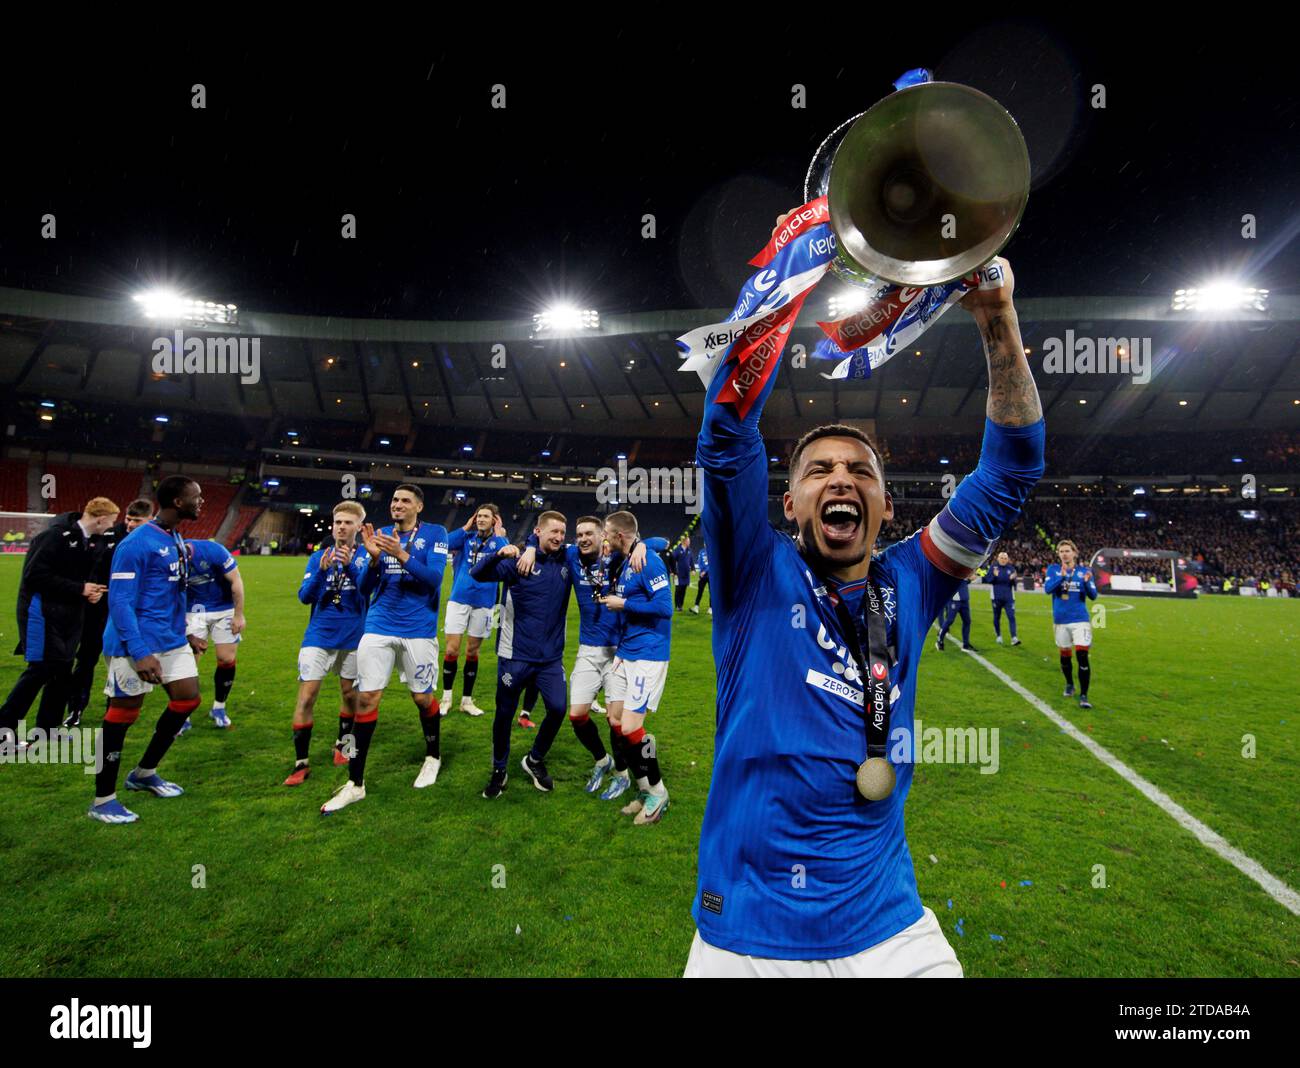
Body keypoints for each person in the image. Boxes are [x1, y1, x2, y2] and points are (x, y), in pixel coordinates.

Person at [684, 244, 1043, 977]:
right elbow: (726, 441)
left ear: (884, 505)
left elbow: (1011, 468)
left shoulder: (914, 579)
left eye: (860, 472)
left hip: (889, 931)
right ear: (790, 504)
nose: (840, 479)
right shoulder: (754, 571)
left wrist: (997, 320)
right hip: (744, 939)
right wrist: (783, 288)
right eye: (819, 471)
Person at [320, 485, 449, 814]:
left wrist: (401, 555)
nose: (398, 505)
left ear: (419, 505)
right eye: (394, 500)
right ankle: (355, 783)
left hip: (418, 630)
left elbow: (433, 580)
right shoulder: (377, 535)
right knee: (366, 698)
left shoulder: (435, 533)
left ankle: (432, 756)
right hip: (379, 626)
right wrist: (376, 560)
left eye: (406, 500)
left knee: (421, 698)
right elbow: (364, 588)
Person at [515, 516, 665, 794]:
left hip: (617, 650)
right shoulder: (572, 556)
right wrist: (530, 547)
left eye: (589, 534)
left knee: (615, 720)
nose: (582, 538)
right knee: (577, 715)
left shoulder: (619, 557)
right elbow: (546, 540)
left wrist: (643, 544)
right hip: (587, 649)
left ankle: (622, 773)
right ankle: (602, 760)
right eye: (579, 533)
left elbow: (661, 542)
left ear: (603, 537)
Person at [89, 477, 206, 824]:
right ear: (177, 501)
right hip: (134, 642)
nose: (202, 502)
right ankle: (102, 799)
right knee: (123, 716)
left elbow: (169, 594)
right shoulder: (135, 544)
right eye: (196, 497)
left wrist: (186, 632)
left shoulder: (174, 536)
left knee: (187, 700)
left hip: (171, 639)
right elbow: (121, 602)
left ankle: (143, 773)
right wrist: (139, 651)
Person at [470, 511, 573, 798]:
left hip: (550, 659)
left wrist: (639, 544)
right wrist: (502, 554)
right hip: (514, 655)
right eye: (553, 531)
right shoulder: (517, 564)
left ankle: (534, 759)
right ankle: (499, 770)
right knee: (504, 714)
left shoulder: (567, 558)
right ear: (538, 532)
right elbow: (477, 574)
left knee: (558, 708)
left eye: (563, 533)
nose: (559, 537)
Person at [0, 498, 117, 748]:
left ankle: (47, 731)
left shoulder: (91, 542)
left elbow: (81, 577)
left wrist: (89, 591)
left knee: (63, 671)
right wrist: (79, 588)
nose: (112, 526)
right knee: (40, 669)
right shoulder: (54, 537)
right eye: (112, 520)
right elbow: (34, 576)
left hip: (70, 614)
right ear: (100, 518)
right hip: (41, 611)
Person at [594, 510, 674, 825]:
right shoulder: (628, 560)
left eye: (607, 533)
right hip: (627, 652)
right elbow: (648, 540)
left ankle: (658, 792)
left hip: (648, 655)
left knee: (630, 728)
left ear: (620, 536)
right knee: (615, 719)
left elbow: (665, 608)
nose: (604, 538)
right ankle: (643, 789)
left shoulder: (648, 561)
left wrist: (622, 604)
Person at [284, 501, 369, 786]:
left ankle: (342, 746)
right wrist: (321, 572)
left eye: (347, 523)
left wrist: (352, 569)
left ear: (358, 527)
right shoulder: (318, 557)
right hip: (318, 636)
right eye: (338, 522)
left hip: (354, 636)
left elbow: (369, 593)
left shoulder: (366, 559)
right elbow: (305, 597)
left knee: (349, 695)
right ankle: (301, 763)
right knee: (307, 696)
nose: (341, 527)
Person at [64, 498, 152, 730]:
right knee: (86, 659)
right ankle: (75, 709)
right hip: (99, 608)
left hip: (128, 612)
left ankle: (113, 707)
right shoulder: (111, 536)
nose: (131, 524)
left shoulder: (154, 541)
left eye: (137, 520)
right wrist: (91, 587)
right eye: (129, 519)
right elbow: (93, 565)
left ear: (150, 520)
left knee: (120, 661)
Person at [440, 504, 508, 718]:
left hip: (484, 602)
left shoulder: (497, 542)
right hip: (459, 599)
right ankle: (446, 698)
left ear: (494, 520)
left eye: (486, 516)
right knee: (451, 651)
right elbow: (445, 544)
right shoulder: (466, 538)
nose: (480, 519)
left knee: (472, 652)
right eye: (479, 516)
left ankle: (466, 701)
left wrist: (499, 534)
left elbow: (507, 554)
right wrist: (464, 526)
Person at [180, 538, 246, 730]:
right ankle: (183, 714)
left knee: (226, 659)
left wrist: (239, 614)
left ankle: (219, 707)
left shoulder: (214, 551)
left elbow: (236, 580)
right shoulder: (171, 559)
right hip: (193, 610)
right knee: (189, 662)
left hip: (224, 608)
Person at [1044, 540, 1098, 709]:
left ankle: (1084, 695)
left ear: (1075, 553)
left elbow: (1093, 596)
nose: (1064, 554)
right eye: (1061, 551)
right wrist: (1060, 576)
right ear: (1058, 554)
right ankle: (1069, 683)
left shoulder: (1084, 572)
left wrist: (1088, 583)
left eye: (1067, 551)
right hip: (1060, 620)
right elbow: (1047, 589)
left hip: (1080, 620)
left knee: (1082, 655)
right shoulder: (1053, 570)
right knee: (1065, 656)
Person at [984, 551, 1020, 645]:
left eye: (1005, 558)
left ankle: (1014, 638)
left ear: (1007, 559)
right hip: (996, 597)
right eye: (1001, 558)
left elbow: (1015, 584)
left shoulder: (1011, 568)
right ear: (998, 558)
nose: (1003, 560)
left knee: (1011, 616)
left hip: (1009, 597)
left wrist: (1013, 579)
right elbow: (988, 580)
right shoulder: (993, 567)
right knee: (997, 617)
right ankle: (999, 636)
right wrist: (994, 576)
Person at [934, 578, 974, 651]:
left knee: (967, 621)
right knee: (949, 620)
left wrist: (970, 579)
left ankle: (966, 644)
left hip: (964, 599)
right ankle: (939, 640)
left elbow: (966, 581)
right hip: (955, 600)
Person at [670, 535, 694, 612]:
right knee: (678, 590)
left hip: (686, 574)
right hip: (678, 574)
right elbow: (672, 560)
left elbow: (691, 561)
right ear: (684, 542)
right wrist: (673, 571)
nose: (689, 542)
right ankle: (677, 605)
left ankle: (681, 605)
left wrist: (693, 569)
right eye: (688, 541)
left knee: (684, 590)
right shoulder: (677, 550)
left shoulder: (689, 550)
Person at [691, 541, 711, 615]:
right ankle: (696, 607)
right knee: (700, 591)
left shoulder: (712, 551)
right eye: (705, 542)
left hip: (710, 576)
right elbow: (699, 562)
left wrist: (705, 571)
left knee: (711, 592)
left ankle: (711, 608)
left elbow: (712, 563)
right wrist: (701, 572)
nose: (705, 544)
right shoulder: (701, 551)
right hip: (702, 576)